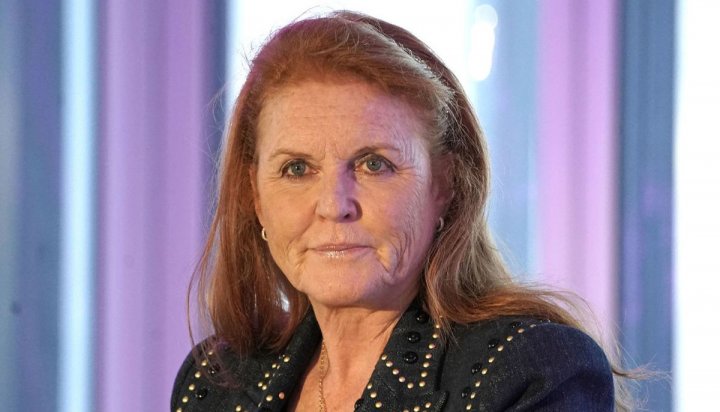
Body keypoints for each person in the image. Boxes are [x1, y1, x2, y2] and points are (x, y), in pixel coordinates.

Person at [172, 10, 629, 412]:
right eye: (297, 168)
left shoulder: (529, 371)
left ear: (444, 186)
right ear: (255, 196)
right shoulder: (212, 385)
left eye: (374, 164)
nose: (334, 205)